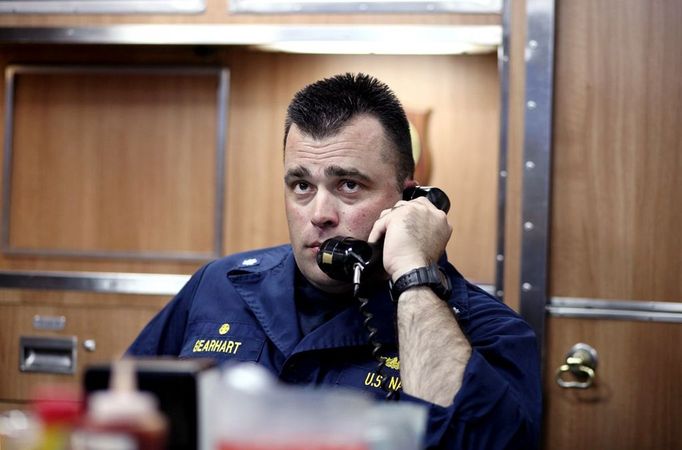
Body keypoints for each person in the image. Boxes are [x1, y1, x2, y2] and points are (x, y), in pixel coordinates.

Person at [127, 73, 541, 449]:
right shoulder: (221, 284)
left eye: (348, 184)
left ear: (408, 199)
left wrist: (415, 279)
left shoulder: (486, 330)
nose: (319, 213)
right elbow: (121, 411)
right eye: (302, 185)